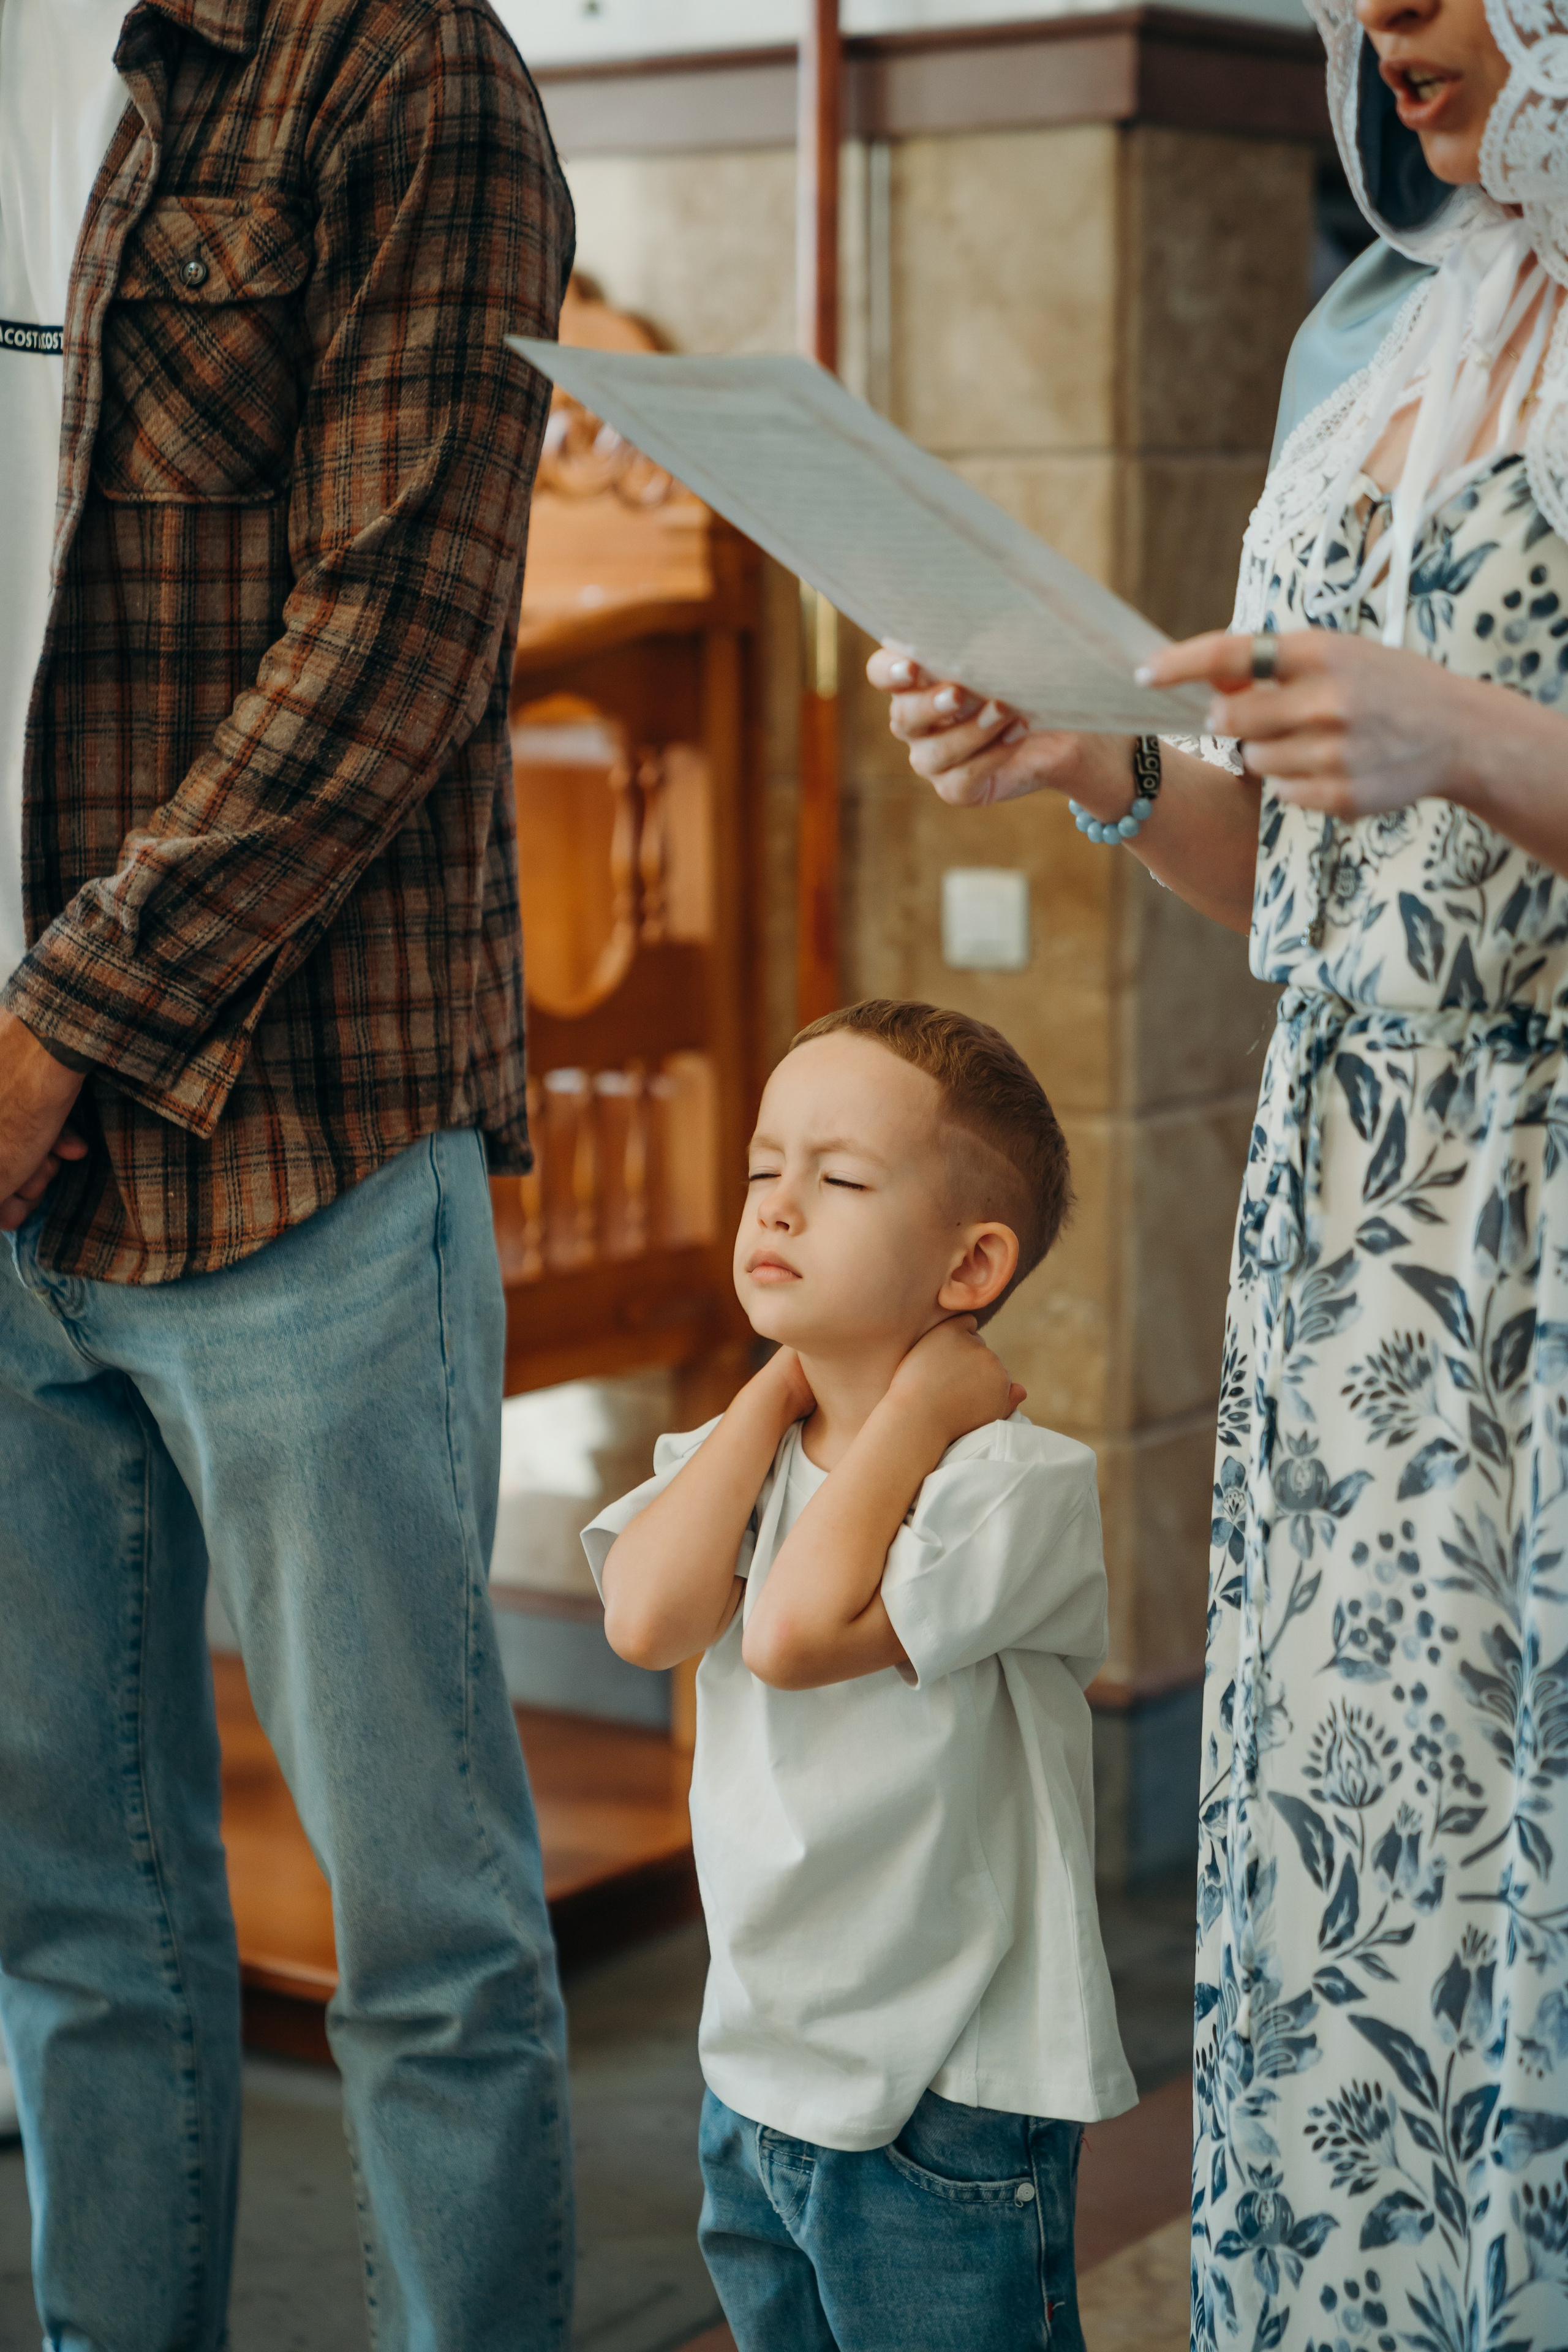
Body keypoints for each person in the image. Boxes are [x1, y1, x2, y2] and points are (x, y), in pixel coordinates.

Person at [869, 0, 1568, 2340]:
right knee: (1369, 1899)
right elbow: (1293, 880)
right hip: (1353, 1245)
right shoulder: (1368, 331)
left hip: (1550, 1231)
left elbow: (1434, 765)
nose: (1390, 14)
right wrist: (1088, 756)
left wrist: (1468, 734)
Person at [0, 0, 576, 2345]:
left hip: (294, 1153)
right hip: (20, 1161)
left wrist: (57, 1030)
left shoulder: (414, 69)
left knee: (422, 1947)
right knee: (77, 1921)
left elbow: (396, 651)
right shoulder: (122, 73)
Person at [583, 998, 1137, 2352]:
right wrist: (774, 1394)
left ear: (971, 1266)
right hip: (764, 2063)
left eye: (834, 1181)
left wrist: (920, 1412)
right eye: (764, 1169)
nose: (775, 1206)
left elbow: (790, 1633)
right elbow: (648, 1619)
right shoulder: (746, 1449)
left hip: (944, 2086)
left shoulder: (1013, 1482)